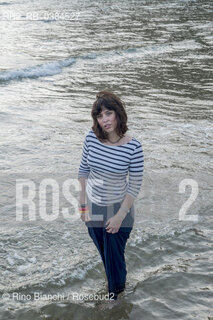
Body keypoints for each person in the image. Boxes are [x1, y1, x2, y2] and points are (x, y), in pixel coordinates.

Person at [78, 91, 144, 301]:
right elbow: (83, 172)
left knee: (115, 260)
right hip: (94, 208)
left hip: (119, 209)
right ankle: (114, 289)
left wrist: (119, 216)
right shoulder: (91, 138)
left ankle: (115, 300)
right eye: (99, 115)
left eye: (108, 113)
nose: (104, 119)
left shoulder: (134, 147)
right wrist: (82, 206)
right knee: (106, 257)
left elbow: (134, 186)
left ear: (118, 114)